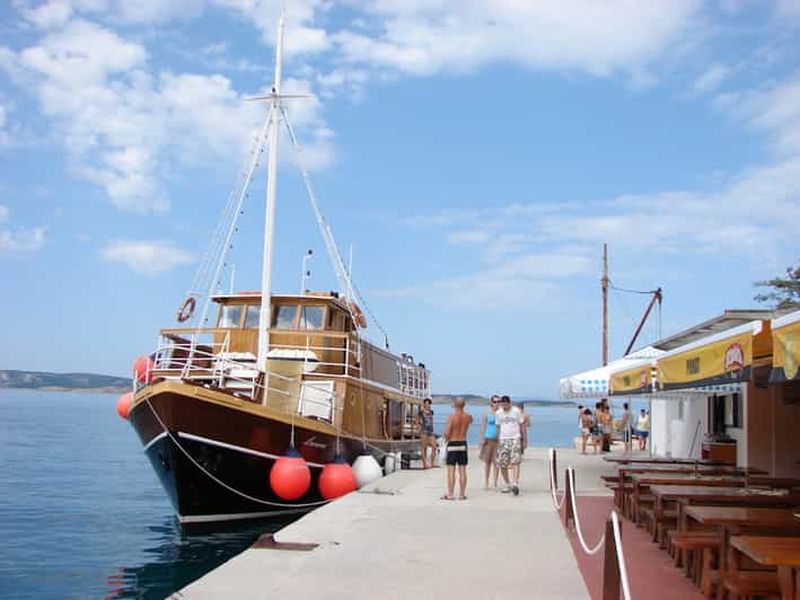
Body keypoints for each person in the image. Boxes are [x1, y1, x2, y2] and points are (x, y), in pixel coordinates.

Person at [442, 397, 472, 500]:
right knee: (462, 470)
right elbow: (469, 423)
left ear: (454, 405)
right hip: (463, 443)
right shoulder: (468, 417)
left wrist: (446, 439)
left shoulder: (451, 417)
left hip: (453, 443)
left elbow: (447, 432)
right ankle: (462, 494)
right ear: (464, 405)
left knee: (451, 470)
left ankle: (450, 494)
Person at [495, 395, 524, 495]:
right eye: (502, 404)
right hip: (503, 438)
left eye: (505, 404)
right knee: (502, 463)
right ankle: (508, 484)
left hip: (515, 438)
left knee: (515, 461)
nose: (504, 406)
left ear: (509, 403)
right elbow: (498, 426)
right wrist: (498, 439)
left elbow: (521, 424)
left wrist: (523, 439)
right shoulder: (499, 413)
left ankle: (515, 483)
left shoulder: (516, 411)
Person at [479, 395, 500, 490]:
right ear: (491, 403)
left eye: (498, 401)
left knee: (496, 462)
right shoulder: (486, 413)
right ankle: (486, 482)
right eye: (495, 402)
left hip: (498, 440)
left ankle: (495, 482)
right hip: (488, 439)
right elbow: (483, 427)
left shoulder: (501, 413)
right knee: (487, 462)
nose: (497, 403)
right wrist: (482, 440)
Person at [416, 398, 436, 468]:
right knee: (423, 447)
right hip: (424, 431)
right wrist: (419, 428)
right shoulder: (421, 412)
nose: (428, 405)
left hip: (431, 431)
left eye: (429, 403)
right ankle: (424, 464)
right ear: (424, 404)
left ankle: (432, 463)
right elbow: (417, 421)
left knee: (434, 446)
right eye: (426, 403)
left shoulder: (431, 412)